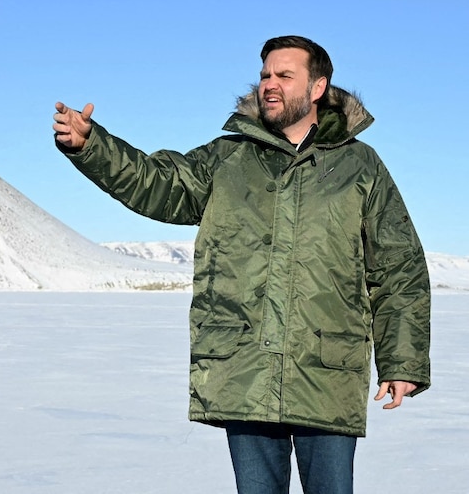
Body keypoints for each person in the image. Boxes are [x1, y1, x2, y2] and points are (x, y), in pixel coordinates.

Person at [52, 36, 431, 494]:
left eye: (284, 75)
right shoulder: (227, 157)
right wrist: (92, 146)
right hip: (244, 367)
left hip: (327, 370)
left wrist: (402, 361)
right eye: (265, 75)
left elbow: (398, 267)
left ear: (317, 87)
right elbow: (158, 184)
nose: (269, 85)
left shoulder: (360, 166)